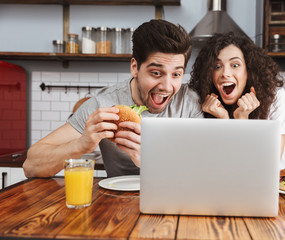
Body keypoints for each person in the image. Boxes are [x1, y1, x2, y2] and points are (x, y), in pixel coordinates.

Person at [23, 19, 203, 178]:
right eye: (156, 73)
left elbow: (202, 171)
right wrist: (81, 145)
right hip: (116, 207)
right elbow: (30, 166)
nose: (166, 85)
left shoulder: (189, 102)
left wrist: (150, 160)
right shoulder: (103, 105)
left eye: (176, 74)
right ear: (135, 67)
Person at [188, 32, 285, 169]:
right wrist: (224, 121)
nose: (225, 73)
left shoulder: (276, 98)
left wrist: (242, 120)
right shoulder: (204, 102)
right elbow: (221, 165)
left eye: (235, 65)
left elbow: (267, 166)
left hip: (276, 185)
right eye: (217, 66)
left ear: (249, 70)